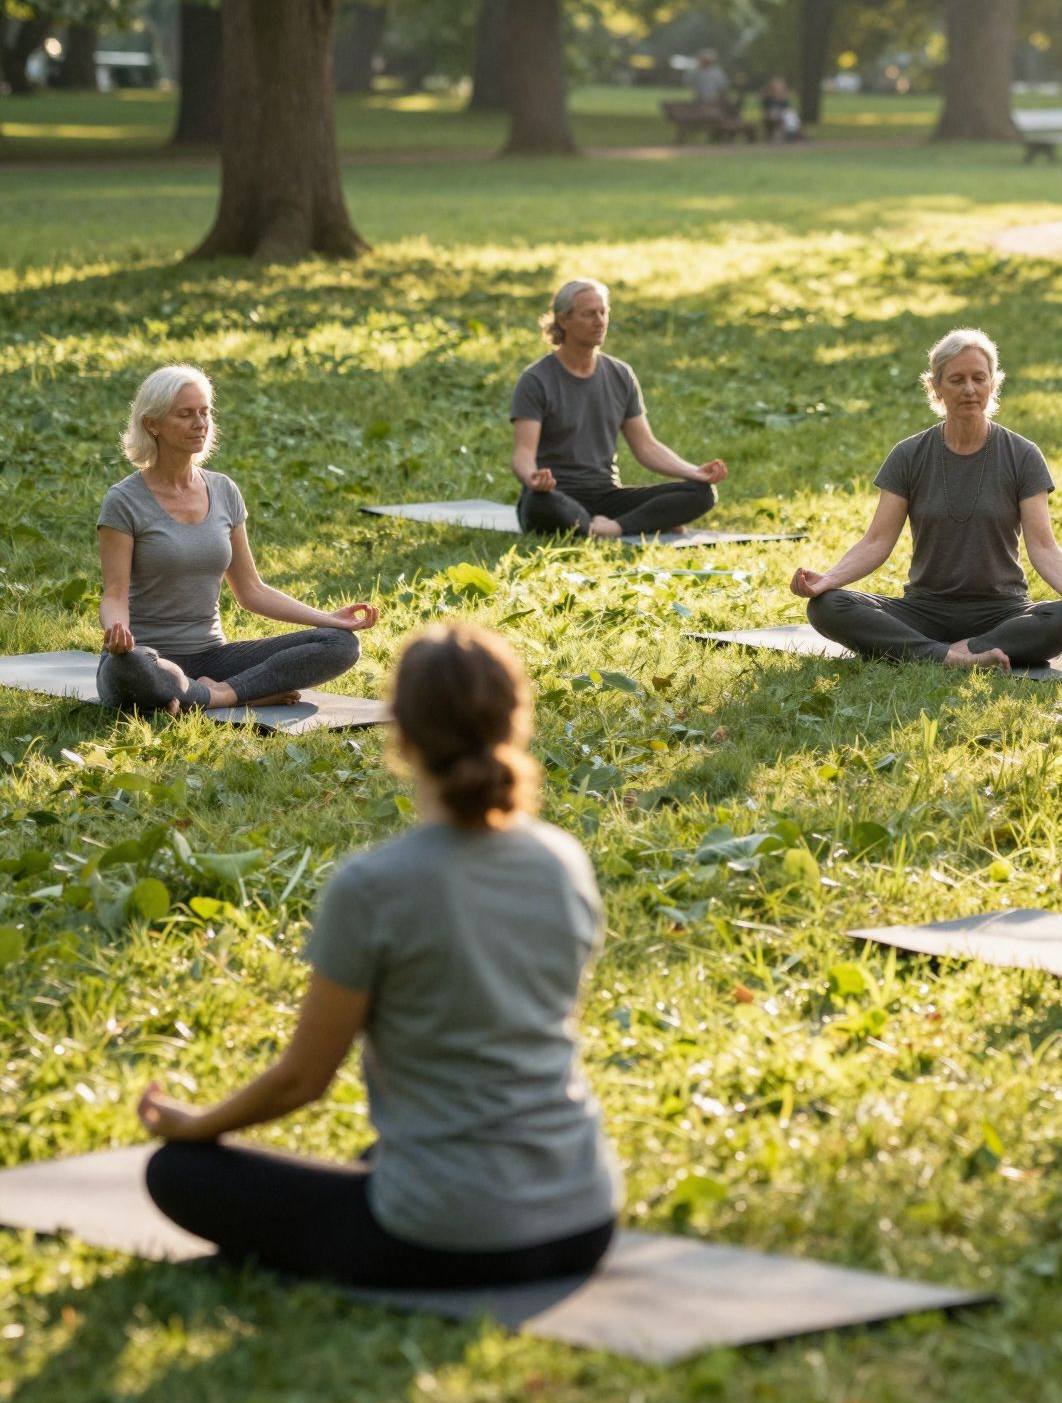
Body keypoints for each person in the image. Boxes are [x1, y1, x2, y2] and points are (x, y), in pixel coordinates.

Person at [138, 623, 622, 1290]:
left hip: (445, 1236)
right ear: (515, 722)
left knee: (177, 1173)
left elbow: (302, 1080)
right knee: (376, 1155)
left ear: (403, 736)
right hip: (585, 1216)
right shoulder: (562, 861)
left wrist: (199, 1125)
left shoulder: (373, 888)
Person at [791, 327, 1062, 668]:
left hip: (1002, 610)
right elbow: (876, 541)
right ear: (936, 387)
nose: (969, 390)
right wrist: (828, 580)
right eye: (956, 380)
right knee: (827, 606)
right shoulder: (908, 455)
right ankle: (950, 656)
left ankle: (947, 650)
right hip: (925, 609)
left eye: (979, 378)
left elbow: (1043, 545)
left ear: (993, 383)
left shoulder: (1023, 454)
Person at [97, 367, 376, 715]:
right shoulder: (124, 500)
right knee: (132, 670)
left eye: (205, 412)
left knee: (339, 645)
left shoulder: (224, 490)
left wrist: (329, 619)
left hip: (213, 659)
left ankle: (218, 695)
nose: (200, 423)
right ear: (152, 424)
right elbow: (114, 594)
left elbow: (252, 591)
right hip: (146, 656)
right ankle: (230, 694)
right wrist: (117, 633)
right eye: (185, 414)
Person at [512, 279, 727, 538]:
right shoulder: (536, 379)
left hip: (606, 496)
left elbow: (646, 446)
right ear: (563, 320)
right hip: (556, 495)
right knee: (539, 504)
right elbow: (523, 452)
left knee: (701, 493)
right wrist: (533, 478)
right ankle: (634, 524)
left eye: (603, 312)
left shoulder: (620, 374)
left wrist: (693, 472)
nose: (600, 320)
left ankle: (612, 527)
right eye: (589, 314)